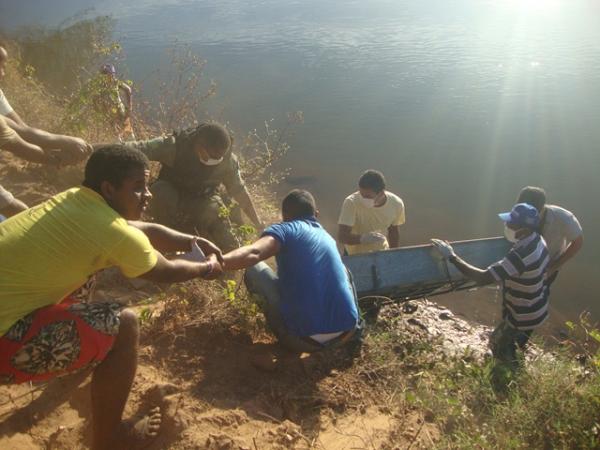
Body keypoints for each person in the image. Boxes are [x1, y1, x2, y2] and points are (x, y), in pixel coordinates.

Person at [0, 145, 224, 449]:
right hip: (4, 344)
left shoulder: (73, 201)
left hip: (10, 311)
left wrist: (192, 240)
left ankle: (76, 352)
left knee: (86, 272)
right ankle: (111, 437)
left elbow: (143, 228)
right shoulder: (112, 232)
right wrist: (206, 267)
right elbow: (166, 271)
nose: (148, 194)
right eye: (137, 187)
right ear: (108, 188)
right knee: (125, 325)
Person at [222, 189, 360, 354]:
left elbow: (254, 253)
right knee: (344, 270)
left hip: (302, 341)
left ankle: (285, 335)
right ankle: (359, 331)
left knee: (254, 269)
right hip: (345, 335)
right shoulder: (328, 238)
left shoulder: (285, 229)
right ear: (316, 214)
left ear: (284, 215)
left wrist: (215, 262)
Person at [431, 203, 549, 370]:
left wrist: (451, 256)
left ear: (523, 228)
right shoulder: (538, 240)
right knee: (509, 343)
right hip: (536, 307)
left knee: (500, 347)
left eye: (511, 223)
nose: (506, 225)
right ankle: (511, 365)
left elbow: (483, 277)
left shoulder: (520, 256)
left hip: (522, 314)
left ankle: (505, 379)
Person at [129, 122, 263, 251]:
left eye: (219, 157)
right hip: (172, 193)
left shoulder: (228, 161)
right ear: (199, 145)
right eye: (211, 156)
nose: (215, 160)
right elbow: (135, 149)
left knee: (228, 236)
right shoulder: (175, 147)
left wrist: (258, 223)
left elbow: (239, 191)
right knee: (161, 192)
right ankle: (165, 239)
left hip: (203, 200)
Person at [517, 186, 583, 287]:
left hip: (548, 265)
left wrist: (553, 267)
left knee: (539, 295)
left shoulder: (563, 218)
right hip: (522, 262)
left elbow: (578, 242)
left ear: (542, 207)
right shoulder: (519, 212)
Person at [338, 169, 405, 255]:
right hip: (354, 255)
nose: (363, 198)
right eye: (361, 194)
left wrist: (393, 254)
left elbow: (393, 231)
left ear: (381, 193)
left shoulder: (396, 204)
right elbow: (342, 237)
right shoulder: (351, 202)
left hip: (382, 252)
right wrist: (362, 239)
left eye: (368, 196)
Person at [99, 63, 135, 141]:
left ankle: (133, 144)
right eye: (106, 75)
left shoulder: (116, 83)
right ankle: (120, 144)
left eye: (111, 74)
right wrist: (102, 110)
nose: (110, 77)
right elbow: (98, 100)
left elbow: (128, 89)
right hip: (109, 112)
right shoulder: (101, 87)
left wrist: (129, 106)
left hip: (119, 109)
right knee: (115, 135)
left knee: (128, 131)